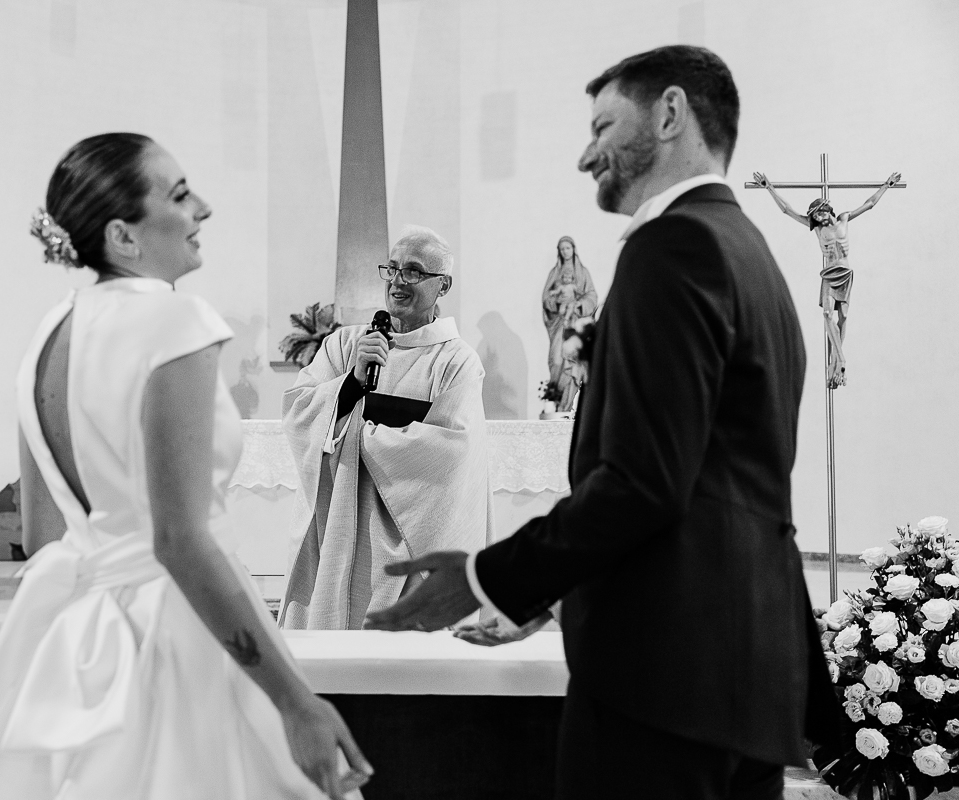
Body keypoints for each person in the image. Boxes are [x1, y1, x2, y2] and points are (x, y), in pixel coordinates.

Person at [366, 46, 838, 799]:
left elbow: (643, 482)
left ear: (671, 114)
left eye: (603, 127)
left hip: (662, 676)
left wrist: (488, 578)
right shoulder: (749, 252)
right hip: (744, 670)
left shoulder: (674, 246)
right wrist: (553, 595)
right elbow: (706, 483)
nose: (587, 156)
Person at [0, 133, 370, 800]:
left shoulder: (48, 336)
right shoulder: (174, 321)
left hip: (83, 641)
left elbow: (46, 537)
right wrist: (293, 701)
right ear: (123, 236)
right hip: (180, 634)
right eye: (180, 194)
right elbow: (180, 541)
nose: (204, 208)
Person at [280, 226, 493, 630]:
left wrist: (355, 435)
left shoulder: (457, 362)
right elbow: (298, 411)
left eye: (413, 271)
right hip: (335, 524)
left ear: (443, 285)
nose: (397, 281)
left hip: (408, 541)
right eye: (392, 268)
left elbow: (451, 452)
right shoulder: (344, 345)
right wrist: (353, 383)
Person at [752, 171, 901, 388]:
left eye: (818, 213)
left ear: (826, 208)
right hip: (829, 274)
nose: (817, 218)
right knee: (827, 314)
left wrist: (887, 185)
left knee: (843, 317)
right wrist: (769, 187)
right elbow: (787, 210)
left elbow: (869, 204)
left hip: (845, 272)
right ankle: (840, 360)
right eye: (814, 216)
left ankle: (834, 364)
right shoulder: (817, 229)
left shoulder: (844, 218)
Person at [541, 235, 598, 411]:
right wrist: (557, 303)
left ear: (574, 249)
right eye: (562, 249)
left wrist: (578, 304)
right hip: (560, 324)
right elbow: (546, 298)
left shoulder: (583, 272)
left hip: (575, 324)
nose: (565, 252)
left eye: (568, 248)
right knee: (556, 361)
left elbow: (592, 297)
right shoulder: (554, 273)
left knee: (573, 362)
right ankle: (555, 401)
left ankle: (568, 405)